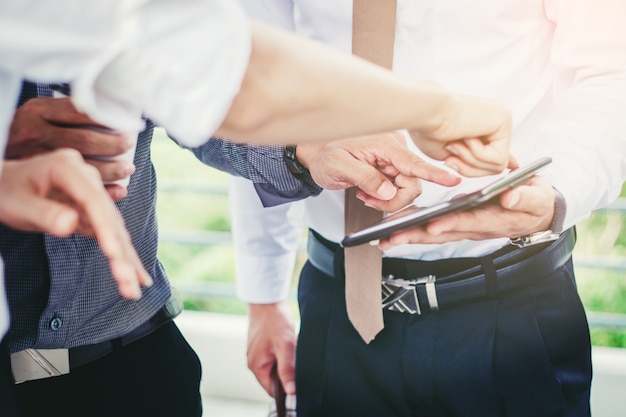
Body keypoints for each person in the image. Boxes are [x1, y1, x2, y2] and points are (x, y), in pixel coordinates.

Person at [234, 1, 626, 416]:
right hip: (339, 310)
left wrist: (557, 190)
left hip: (515, 309)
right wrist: (263, 299)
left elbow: (609, 71)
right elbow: (252, 84)